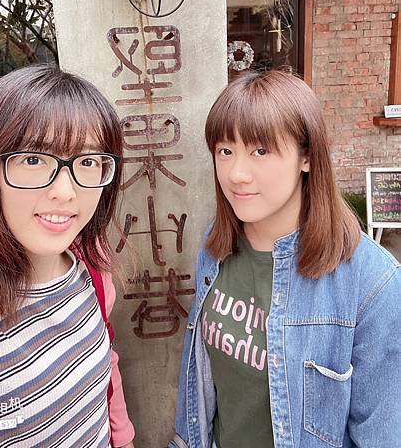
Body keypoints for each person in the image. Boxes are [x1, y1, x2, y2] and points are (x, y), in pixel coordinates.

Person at [169, 70, 401, 448]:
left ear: (306, 156)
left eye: (260, 151)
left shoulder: (373, 283)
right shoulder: (215, 247)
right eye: (225, 151)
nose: (237, 174)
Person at [0, 65, 135, 448]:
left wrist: (124, 438)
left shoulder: (92, 270)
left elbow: (106, 366)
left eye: (88, 162)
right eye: (34, 159)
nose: (65, 192)